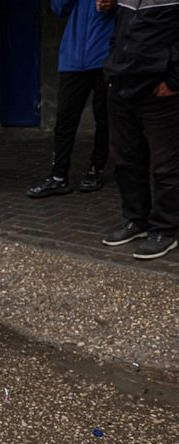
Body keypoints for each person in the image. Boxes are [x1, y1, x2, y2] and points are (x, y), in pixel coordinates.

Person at [100, 0, 179, 260]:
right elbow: (119, 34)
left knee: (165, 166)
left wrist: (174, 82)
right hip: (121, 87)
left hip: (158, 93)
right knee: (126, 160)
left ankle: (165, 229)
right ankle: (137, 220)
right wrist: (112, 70)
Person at [26, 0, 114, 198]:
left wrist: (113, 4)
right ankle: (58, 177)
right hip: (72, 59)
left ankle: (96, 169)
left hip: (104, 58)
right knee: (65, 120)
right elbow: (58, 8)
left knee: (104, 118)